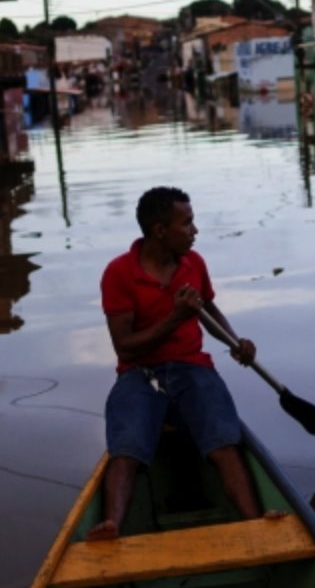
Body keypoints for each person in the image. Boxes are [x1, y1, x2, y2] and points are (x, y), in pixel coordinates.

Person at [86, 186, 276, 541]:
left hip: (192, 367)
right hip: (140, 373)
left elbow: (210, 312)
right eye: (187, 223)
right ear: (160, 230)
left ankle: (254, 522)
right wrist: (174, 318)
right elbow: (125, 348)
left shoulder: (194, 263)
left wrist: (236, 343)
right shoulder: (119, 273)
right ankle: (111, 525)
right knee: (126, 448)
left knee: (223, 440)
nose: (195, 231)